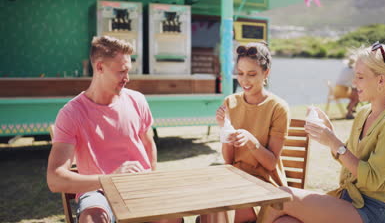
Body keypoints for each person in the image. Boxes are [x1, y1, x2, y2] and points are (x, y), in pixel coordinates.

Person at [263, 42, 385, 223]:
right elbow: (350, 159)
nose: (353, 82)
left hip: (373, 211)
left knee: (280, 197)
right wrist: (330, 136)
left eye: (359, 77)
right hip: (349, 201)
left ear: (381, 80)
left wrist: (334, 142)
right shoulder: (365, 113)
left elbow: (372, 180)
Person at [46, 36, 181, 223]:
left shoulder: (138, 100)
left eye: (128, 71)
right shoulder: (72, 113)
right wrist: (110, 179)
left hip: (138, 187)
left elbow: (149, 146)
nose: (128, 79)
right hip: (97, 192)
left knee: (170, 217)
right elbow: (55, 179)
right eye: (121, 72)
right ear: (100, 67)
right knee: (93, 219)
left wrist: (151, 182)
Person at [203, 41, 290, 223]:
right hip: (235, 180)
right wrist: (225, 128)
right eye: (240, 73)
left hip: (265, 186)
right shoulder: (231, 102)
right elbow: (228, 161)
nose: (244, 80)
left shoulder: (278, 107)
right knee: (209, 206)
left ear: (266, 73)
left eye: (251, 74)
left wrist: (251, 141)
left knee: (219, 211)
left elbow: (271, 164)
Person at [334, 54, 359, 119]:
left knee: (355, 93)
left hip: (337, 90)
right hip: (342, 90)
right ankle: (349, 113)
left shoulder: (344, 69)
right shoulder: (353, 71)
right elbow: (356, 82)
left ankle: (350, 107)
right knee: (356, 97)